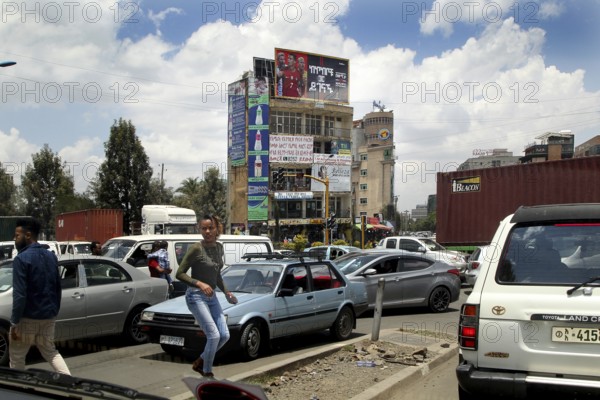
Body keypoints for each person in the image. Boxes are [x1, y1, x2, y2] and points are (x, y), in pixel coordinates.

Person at [176, 215, 237, 378]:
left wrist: (227, 292)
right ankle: (207, 373)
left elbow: (216, 275)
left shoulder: (219, 248)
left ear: (217, 228)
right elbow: (179, 274)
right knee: (214, 335)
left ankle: (200, 362)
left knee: (224, 335)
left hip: (211, 297)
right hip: (195, 296)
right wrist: (200, 284)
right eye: (204, 228)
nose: (207, 231)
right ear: (200, 229)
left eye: (211, 227)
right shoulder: (196, 248)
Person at [10, 218, 71, 375]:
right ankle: (70, 384)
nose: (14, 239)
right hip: (48, 316)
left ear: (28, 235)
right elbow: (58, 287)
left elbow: (19, 295)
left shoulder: (21, 259)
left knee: (17, 357)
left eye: (17, 235)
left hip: (27, 318)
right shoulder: (51, 257)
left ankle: (17, 391)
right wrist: (54, 311)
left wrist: (14, 323)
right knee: (50, 352)